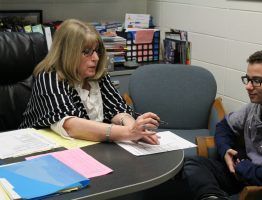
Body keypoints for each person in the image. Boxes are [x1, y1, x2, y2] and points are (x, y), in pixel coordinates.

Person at [183, 48, 262, 200]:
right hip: (244, 175)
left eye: (257, 81)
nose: (248, 86)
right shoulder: (255, 106)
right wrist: (225, 150)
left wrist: (250, 171)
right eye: (248, 79)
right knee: (193, 163)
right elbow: (224, 126)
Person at [19, 19, 160, 144]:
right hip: (40, 152)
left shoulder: (98, 76)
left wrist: (134, 128)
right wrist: (128, 133)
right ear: (68, 53)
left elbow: (117, 109)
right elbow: (70, 124)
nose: (96, 58)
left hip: (88, 146)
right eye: (87, 52)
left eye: (96, 51)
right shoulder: (49, 77)